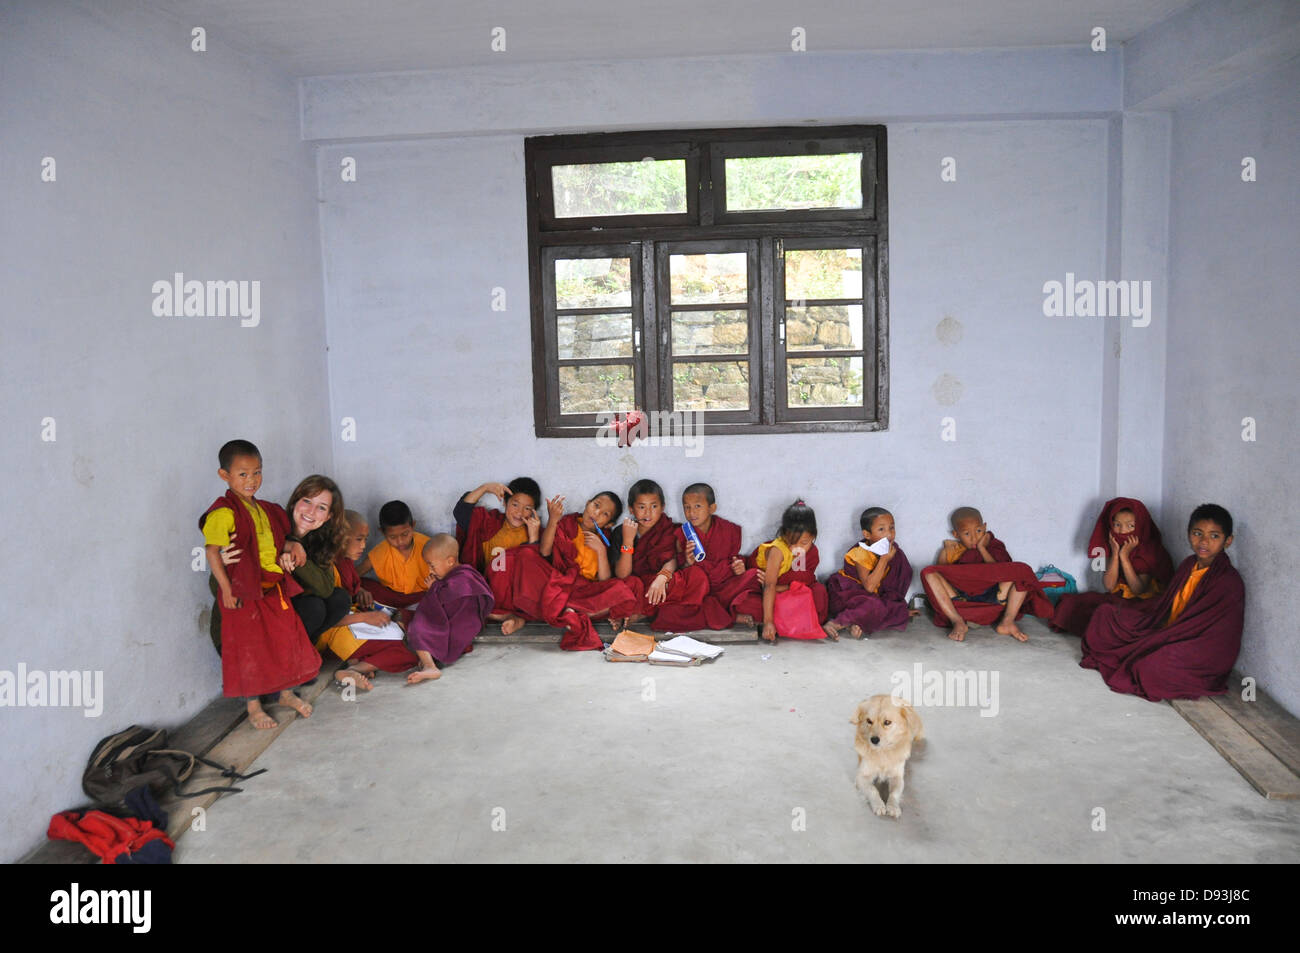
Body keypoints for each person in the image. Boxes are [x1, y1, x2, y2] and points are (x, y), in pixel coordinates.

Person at [199, 440, 319, 730]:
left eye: (256, 472)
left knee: (285, 640)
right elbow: (212, 552)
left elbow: (282, 537)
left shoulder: (266, 509)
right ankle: (253, 707)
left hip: (273, 587)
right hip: (243, 592)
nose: (251, 480)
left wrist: (291, 547)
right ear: (224, 475)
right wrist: (226, 590)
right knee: (249, 649)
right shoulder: (224, 512)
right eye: (242, 474)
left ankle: (286, 694)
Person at [1080, 504, 1245, 701]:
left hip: (1197, 649)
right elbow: (1164, 609)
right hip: (1166, 629)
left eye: (1214, 536)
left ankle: (1152, 652)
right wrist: (1156, 632)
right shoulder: (1188, 565)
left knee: (1151, 665)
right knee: (1105, 614)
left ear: (1228, 541)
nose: (1204, 541)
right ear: (1188, 534)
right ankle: (1150, 647)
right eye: (1198, 533)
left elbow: (1218, 639)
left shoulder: (1228, 581)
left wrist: (1163, 639)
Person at [315, 510, 418, 690]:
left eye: (365, 539)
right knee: (411, 650)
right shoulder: (325, 569)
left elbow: (350, 586)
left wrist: (360, 590)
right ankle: (356, 668)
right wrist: (365, 618)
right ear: (339, 538)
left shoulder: (344, 561)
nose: (363, 545)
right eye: (359, 539)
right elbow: (323, 619)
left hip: (353, 619)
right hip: (335, 632)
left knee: (405, 625)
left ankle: (360, 662)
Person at [918, 506, 1052, 642]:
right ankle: (957, 621)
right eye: (966, 534)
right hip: (961, 600)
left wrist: (982, 549)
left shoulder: (994, 546)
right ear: (956, 535)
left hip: (996, 596)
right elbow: (943, 575)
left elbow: (1001, 571)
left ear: (985, 527)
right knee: (929, 572)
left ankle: (1007, 621)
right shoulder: (951, 550)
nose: (974, 537)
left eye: (978, 530)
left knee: (1021, 570)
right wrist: (951, 560)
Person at [1051, 497, 1175, 636]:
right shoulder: (1114, 545)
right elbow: (1109, 586)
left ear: (1141, 525)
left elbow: (1138, 590)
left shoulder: (1149, 550)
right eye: (1117, 525)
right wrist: (1116, 553)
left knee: (1117, 619)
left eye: (1130, 526)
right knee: (1071, 603)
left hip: (1144, 603)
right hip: (1120, 599)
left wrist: (1125, 557)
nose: (1122, 531)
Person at [651, 483, 749, 632]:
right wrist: (688, 563)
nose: (691, 513)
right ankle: (726, 615)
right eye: (687, 507)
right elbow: (682, 570)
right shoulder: (682, 533)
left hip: (722, 587)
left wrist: (739, 568)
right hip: (698, 591)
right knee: (696, 576)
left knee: (753, 577)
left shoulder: (728, 530)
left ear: (712, 508)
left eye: (697, 506)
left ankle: (713, 613)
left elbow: (733, 560)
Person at [613, 479, 707, 626]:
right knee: (628, 585)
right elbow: (622, 575)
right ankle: (651, 611)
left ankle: (641, 612)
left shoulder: (671, 529)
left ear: (663, 507)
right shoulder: (622, 531)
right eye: (642, 507)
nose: (648, 513)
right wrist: (628, 541)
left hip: (664, 584)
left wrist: (662, 578)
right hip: (639, 588)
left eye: (654, 506)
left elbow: (673, 558)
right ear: (631, 509)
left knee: (697, 576)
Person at [454, 478, 542, 634]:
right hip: (489, 591)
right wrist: (484, 487)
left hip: (517, 597)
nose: (519, 512)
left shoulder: (534, 532)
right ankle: (514, 618)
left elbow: (537, 574)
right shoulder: (489, 524)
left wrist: (534, 539)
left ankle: (506, 615)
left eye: (527, 508)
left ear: (534, 511)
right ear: (504, 503)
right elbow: (461, 514)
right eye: (515, 504)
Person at [540, 490, 643, 622]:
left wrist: (600, 550)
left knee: (633, 584)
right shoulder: (567, 525)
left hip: (591, 591)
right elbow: (544, 551)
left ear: (609, 524)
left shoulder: (604, 539)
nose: (596, 513)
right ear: (588, 503)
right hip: (566, 587)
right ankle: (588, 612)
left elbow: (604, 580)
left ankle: (580, 613)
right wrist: (553, 519)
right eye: (596, 505)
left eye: (605, 514)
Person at [405, 534, 496, 683]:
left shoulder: (463, 577)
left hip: (460, 624)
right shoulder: (464, 573)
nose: (430, 571)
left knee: (417, 627)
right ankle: (431, 657)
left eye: (432, 566)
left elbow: (444, 598)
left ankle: (430, 666)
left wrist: (433, 587)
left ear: (450, 561)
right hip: (461, 624)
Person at [824, 507, 917, 639]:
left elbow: (900, 577)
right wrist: (884, 560)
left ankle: (853, 623)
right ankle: (836, 624)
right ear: (867, 534)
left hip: (872, 597)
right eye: (881, 529)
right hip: (847, 594)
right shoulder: (861, 553)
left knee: (891, 607)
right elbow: (869, 587)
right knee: (875, 606)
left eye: (891, 527)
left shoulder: (894, 551)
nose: (889, 534)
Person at [284, 475, 352, 643]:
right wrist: (286, 544)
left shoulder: (321, 539)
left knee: (339, 599)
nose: (311, 511)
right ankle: (286, 657)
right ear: (295, 501)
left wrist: (298, 556)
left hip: (297, 611)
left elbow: (326, 589)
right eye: (307, 501)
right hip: (265, 613)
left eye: (321, 507)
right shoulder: (274, 525)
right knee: (313, 607)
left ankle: (302, 652)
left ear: (329, 516)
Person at [356, 500, 430, 611]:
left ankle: (401, 614)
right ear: (382, 532)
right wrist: (360, 590)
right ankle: (402, 614)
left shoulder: (428, 546)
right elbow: (353, 575)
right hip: (391, 597)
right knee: (364, 585)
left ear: (413, 526)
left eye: (405, 534)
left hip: (422, 596)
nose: (400, 541)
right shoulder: (380, 552)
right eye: (392, 537)